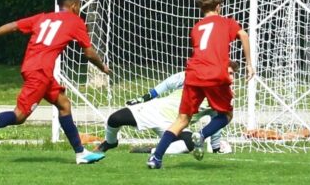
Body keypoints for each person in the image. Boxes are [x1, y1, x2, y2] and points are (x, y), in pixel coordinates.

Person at [0, 0, 111, 164]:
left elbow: (13, 25)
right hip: (40, 73)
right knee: (19, 116)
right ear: (74, 5)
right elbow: (89, 53)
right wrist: (102, 67)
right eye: (79, 5)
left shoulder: (43, 17)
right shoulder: (75, 21)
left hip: (34, 68)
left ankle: (81, 153)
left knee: (64, 104)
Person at [147, 0, 254, 169]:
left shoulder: (196, 28)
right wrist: (249, 64)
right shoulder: (226, 22)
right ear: (219, 7)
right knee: (226, 115)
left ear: (201, 8)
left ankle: (156, 158)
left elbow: (206, 51)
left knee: (182, 120)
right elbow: (243, 35)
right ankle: (203, 134)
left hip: (194, 74)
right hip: (215, 75)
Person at [94, 61, 240, 155]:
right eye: (227, 73)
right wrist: (145, 97)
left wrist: (215, 147)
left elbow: (217, 121)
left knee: (190, 143)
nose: (231, 77)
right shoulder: (197, 78)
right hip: (156, 109)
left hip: (177, 124)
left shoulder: (223, 99)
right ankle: (110, 142)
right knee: (114, 119)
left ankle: (152, 151)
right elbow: (169, 83)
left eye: (232, 74)